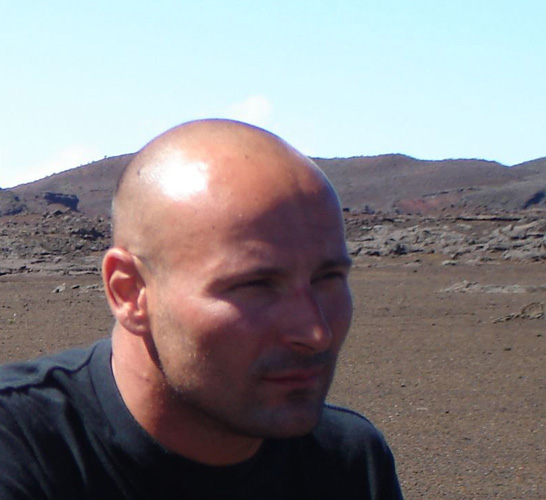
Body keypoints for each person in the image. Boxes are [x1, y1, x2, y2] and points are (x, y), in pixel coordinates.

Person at [0, 119, 404, 499]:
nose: (316, 332)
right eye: (255, 285)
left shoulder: (349, 462)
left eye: (328, 278)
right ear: (130, 292)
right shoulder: (20, 452)